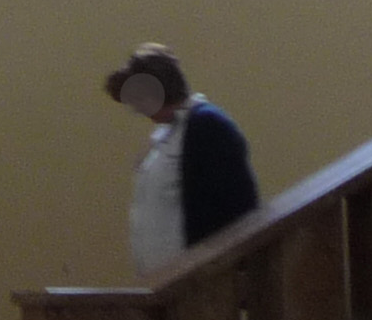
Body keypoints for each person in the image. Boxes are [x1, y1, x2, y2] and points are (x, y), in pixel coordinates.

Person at [108, 44, 260, 273]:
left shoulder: (208, 127)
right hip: (165, 283)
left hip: (199, 280)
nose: (138, 111)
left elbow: (238, 208)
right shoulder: (167, 134)